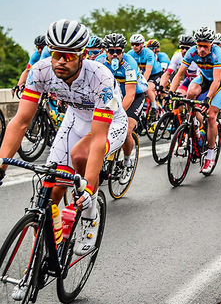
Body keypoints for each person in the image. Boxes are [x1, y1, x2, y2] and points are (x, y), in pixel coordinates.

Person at [0, 19, 128, 255]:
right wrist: (2, 164)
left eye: (68, 56)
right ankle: (50, 248)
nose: (60, 61)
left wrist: (88, 188)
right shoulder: (40, 70)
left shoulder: (100, 76)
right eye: (55, 53)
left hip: (108, 123)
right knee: (50, 188)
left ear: (84, 54)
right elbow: (20, 121)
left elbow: (99, 138)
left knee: (81, 154)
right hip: (76, 119)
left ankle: (90, 215)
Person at [169, 26, 221, 174]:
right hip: (204, 77)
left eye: (205, 46)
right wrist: (171, 92)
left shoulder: (217, 54)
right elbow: (179, 74)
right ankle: (194, 124)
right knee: (190, 93)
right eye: (199, 46)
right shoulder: (191, 52)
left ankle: (209, 156)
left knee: (211, 116)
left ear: (211, 45)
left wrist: (208, 98)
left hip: (220, 82)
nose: (201, 49)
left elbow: (215, 81)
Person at [95, 33, 148, 167]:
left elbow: (130, 94)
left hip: (134, 96)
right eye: (111, 51)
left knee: (126, 131)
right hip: (113, 96)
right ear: (105, 51)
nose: (114, 55)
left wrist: (116, 114)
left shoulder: (129, 64)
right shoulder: (99, 61)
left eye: (118, 51)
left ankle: (127, 161)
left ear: (122, 51)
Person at [127, 34, 159, 120]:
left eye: (137, 44)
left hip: (155, 74)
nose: (134, 46)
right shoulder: (130, 54)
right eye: (132, 44)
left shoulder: (149, 53)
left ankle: (154, 107)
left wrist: (142, 83)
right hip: (142, 73)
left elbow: (148, 70)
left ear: (142, 44)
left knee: (146, 88)